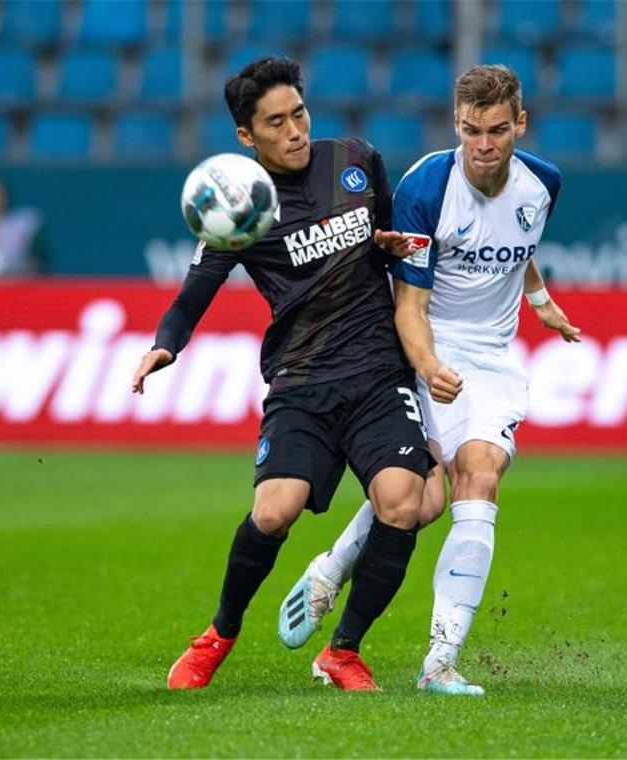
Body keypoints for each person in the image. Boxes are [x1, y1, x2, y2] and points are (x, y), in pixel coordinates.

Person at [131, 57, 434, 692]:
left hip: (379, 373)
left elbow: (390, 235)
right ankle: (219, 633)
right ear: (247, 136)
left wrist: (390, 245)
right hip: (301, 381)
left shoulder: (355, 157)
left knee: (403, 504)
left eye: (299, 113)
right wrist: (166, 345)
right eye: (277, 122)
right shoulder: (240, 208)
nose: (296, 130)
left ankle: (343, 650)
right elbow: (192, 297)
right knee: (273, 512)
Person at [278, 64, 582, 696]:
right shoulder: (425, 188)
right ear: (457, 124)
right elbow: (408, 306)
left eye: (498, 130)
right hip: (424, 347)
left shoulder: (543, 184)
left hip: (493, 359)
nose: (484, 145)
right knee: (421, 502)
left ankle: (439, 662)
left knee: (480, 476)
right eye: (471, 131)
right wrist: (428, 366)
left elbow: (519, 245)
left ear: (519, 124)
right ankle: (329, 571)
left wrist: (541, 298)